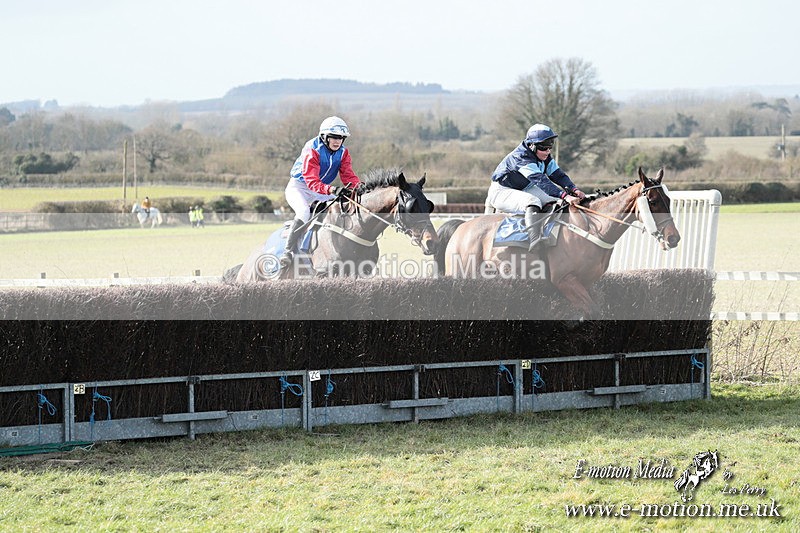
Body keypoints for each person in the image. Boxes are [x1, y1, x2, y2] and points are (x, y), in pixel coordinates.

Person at [488, 124, 586, 252]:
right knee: (533, 201)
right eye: (544, 148)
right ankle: (534, 240)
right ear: (532, 146)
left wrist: (574, 189)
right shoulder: (521, 157)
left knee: (555, 200)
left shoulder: (544, 156)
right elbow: (541, 181)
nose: (548, 151)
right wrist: (565, 195)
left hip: (525, 187)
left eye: (550, 147)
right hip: (502, 191)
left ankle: (548, 232)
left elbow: (558, 175)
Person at [279, 116, 361, 268]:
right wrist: (332, 189)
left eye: (341, 138)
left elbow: (348, 176)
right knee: (304, 212)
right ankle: (288, 252)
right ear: (324, 137)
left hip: (321, 189)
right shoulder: (313, 149)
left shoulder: (343, 152)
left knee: (340, 208)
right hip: (299, 188)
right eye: (334, 137)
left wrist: (360, 188)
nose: (337, 141)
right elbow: (311, 181)